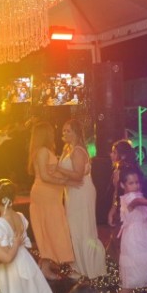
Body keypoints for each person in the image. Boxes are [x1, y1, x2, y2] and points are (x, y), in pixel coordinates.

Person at [56, 119, 107, 279]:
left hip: (81, 192)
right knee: (73, 228)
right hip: (71, 192)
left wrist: (58, 170)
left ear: (76, 133)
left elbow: (78, 176)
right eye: (63, 130)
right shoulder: (67, 149)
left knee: (82, 228)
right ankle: (78, 266)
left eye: (68, 131)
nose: (64, 133)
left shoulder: (78, 151)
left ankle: (89, 267)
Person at [28, 121, 77, 280]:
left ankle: (46, 265)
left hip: (50, 195)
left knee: (50, 229)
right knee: (50, 230)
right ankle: (46, 266)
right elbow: (44, 176)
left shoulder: (44, 151)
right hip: (45, 194)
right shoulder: (42, 151)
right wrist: (65, 181)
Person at [106, 140, 140, 260]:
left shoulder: (119, 171)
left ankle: (117, 266)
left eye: (114, 152)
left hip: (123, 210)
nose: (111, 155)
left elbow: (117, 193)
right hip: (134, 209)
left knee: (119, 240)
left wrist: (113, 209)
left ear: (123, 155)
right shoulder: (134, 169)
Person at [0, 98, 30, 189]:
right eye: (5, 106)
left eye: (9, 107)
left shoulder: (13, 116)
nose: (7, 109)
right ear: (1, 106)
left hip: (10, 143)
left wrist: (22, 127)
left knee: (12, 161)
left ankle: (12, 181)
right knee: (1, 162)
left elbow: (19, 128)